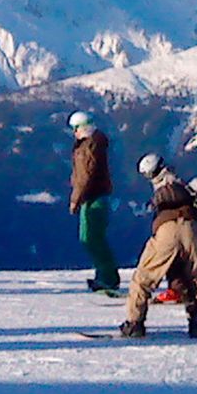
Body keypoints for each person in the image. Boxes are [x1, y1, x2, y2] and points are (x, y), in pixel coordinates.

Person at [120, 154, 197, 338]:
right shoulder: (185, 187)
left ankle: (134, 323)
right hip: (194, 228)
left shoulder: (162, 188)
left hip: (167, 230)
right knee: (195, 276)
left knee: (143, 278)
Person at [67, 111, 120, 292]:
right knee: (91, 237)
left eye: (75, 128)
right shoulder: (92, 144)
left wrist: (75, 199)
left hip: (92, 198)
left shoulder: (88, 148)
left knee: (91, 237)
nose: (73, 133)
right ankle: (103, 275)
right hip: (93, 197)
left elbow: (85, 176)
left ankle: (108, 277)